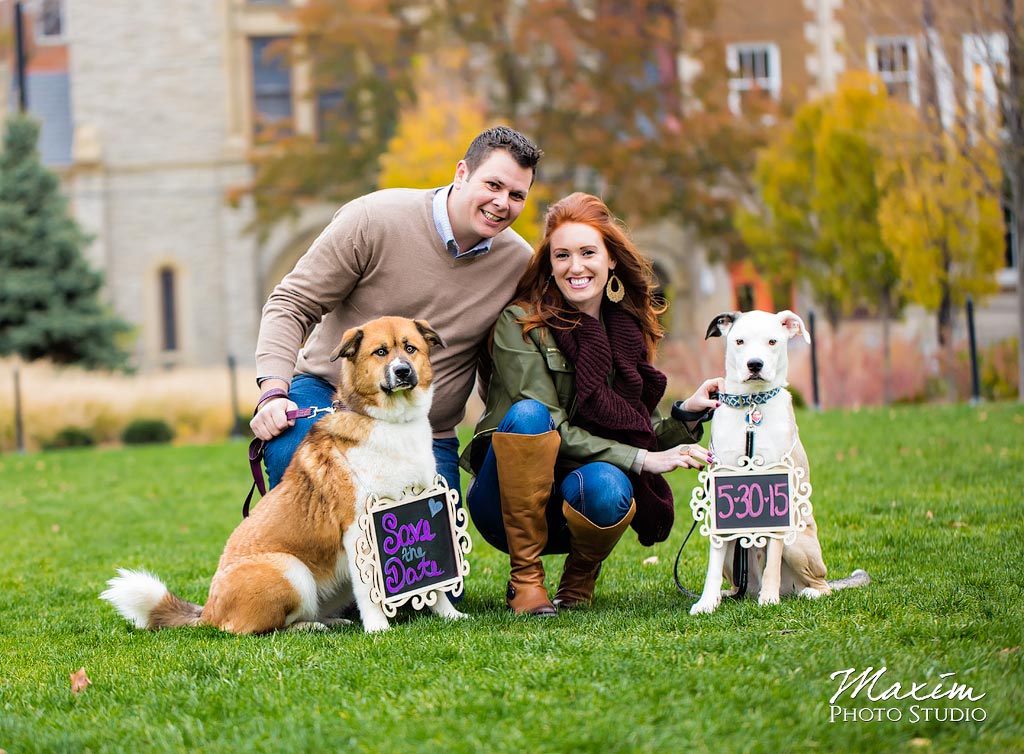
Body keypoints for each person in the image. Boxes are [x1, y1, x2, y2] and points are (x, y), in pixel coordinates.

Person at [460, 192, 724, 616]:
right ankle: (526, 581)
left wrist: (686, 414)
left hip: (578, 502)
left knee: (608, 485)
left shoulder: (626, 331)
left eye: (587, 252)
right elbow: (553, 429)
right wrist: (640, 459)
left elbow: (637, 430)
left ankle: (579, 577)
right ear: (549, 263)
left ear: (611, 260)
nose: (575, 267)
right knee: (531, 415)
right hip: (506, 504)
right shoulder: (521, 322)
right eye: (561, 255)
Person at [249, 126, 543, 500]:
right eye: (493, 185)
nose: (502, 203)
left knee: (425, 555)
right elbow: (291, 303)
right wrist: (273, 392)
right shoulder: (373, 220)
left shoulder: (518, 265)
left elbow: (503, 358)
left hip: (426, 429)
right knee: (299, 460)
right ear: (462, 173)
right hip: (332, 396)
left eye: (517, 195)